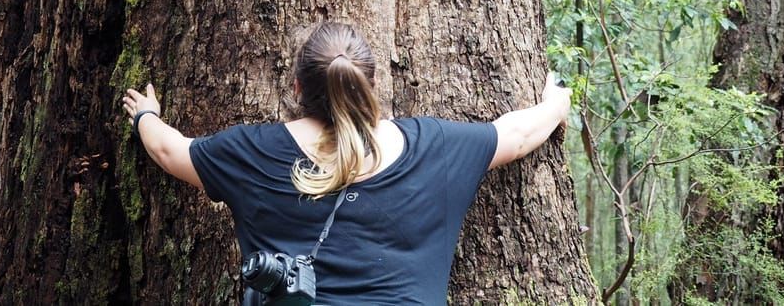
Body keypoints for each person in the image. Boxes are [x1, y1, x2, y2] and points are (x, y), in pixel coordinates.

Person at [120, 22, 572, 305]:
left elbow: (168, 151)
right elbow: (517, 135)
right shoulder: (435, 147)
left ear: (297, 88)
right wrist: (557, 99)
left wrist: (146, 115)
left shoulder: (252, 152)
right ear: (370, 86)